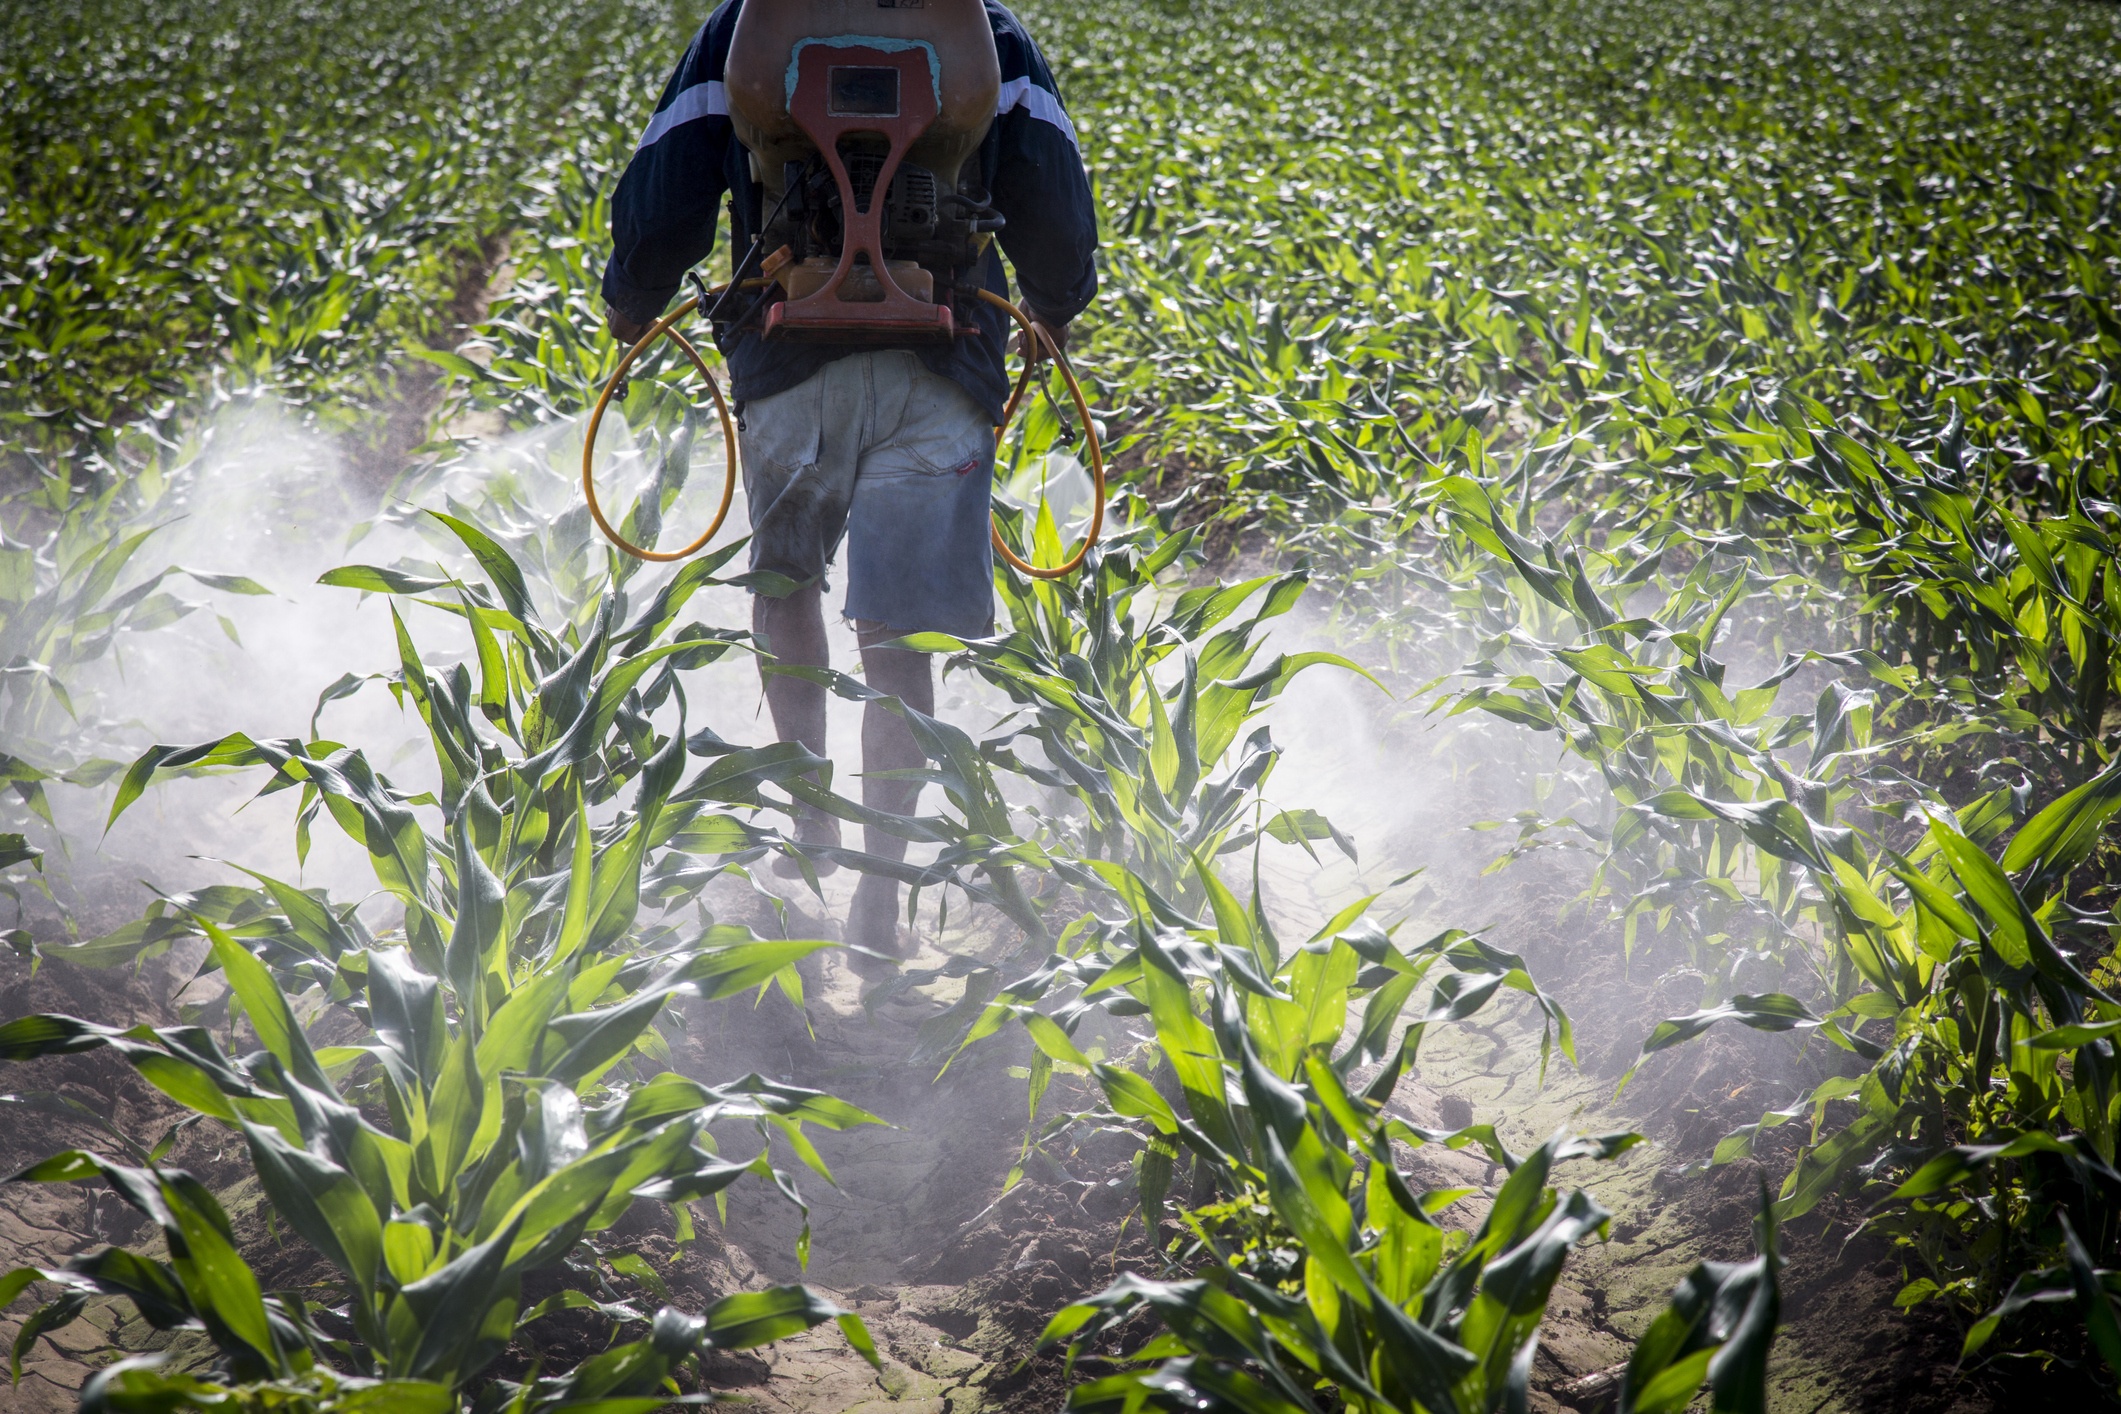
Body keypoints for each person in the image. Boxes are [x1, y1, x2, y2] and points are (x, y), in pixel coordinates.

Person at [600, 1, 1097, 959]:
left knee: (786, 587)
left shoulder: (746, 23)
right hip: (939, 370)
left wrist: (632, 301)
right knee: (898, 634)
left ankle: (810, 818)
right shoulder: (986, 30)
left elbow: (665, 195)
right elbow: (1054, 201)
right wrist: (1056, 304)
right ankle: (884, 884)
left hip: (791, 369)